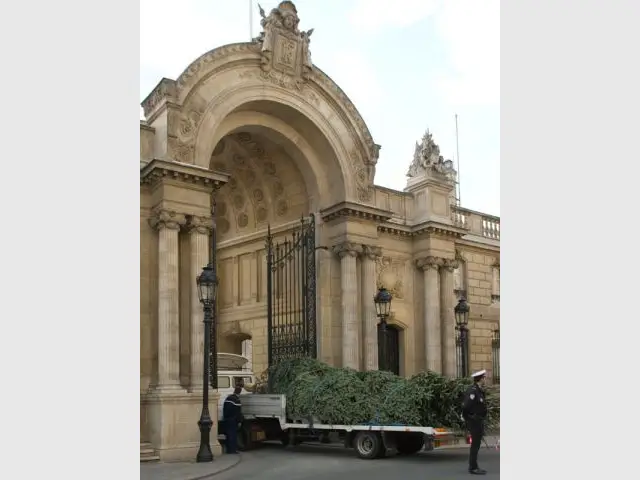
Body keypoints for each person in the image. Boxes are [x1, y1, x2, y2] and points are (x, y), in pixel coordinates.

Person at [462, 370, 488, 475]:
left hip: (478, 421)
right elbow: (465, 406)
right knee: (475, 445)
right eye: (484, 378)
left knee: (476, 444)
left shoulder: (479, 390)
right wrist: (469, 418)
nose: (485, 379)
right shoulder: (473, 391)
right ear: (480, 379)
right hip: (475, 421)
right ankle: (473, 467)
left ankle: (474, 466)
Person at [223, 386, 243, 454]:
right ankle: (232, 450)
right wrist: (239, 421)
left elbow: (225, 409)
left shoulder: (228, 398)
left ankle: (228, 449)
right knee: (233, 435)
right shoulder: (237, 400)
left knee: (228, 435)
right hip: (233, 420)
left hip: (226, 419)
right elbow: (238, 412)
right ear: (240, 392)